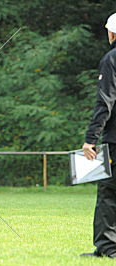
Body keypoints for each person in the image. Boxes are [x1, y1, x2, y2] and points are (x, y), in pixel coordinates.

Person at [81, 13, 116, 258]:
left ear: (112, 34)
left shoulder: (111, 59)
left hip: (115, 141)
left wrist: (91, 138)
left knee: (109, 192)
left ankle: (108, 248)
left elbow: (105, 102)